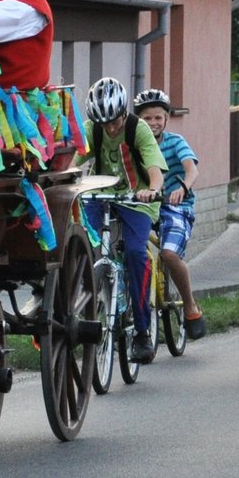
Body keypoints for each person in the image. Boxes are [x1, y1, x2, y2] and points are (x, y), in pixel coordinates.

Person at [77, 77, 167, 363]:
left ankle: (142, 332)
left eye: (115, 122)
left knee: (136, 254)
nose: (111, 129)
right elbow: (73, 160)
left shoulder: (138, 129)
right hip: (100, 196)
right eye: (104, 124)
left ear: (124, 113)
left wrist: (152, 190)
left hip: (137, 199)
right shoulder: (92, 129)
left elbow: (155, 171)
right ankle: (86, 303)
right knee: (82, 243)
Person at [132, 88, 206, 340]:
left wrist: (182, 189)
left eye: (158, 117)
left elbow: (191, 170)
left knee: (169, 254)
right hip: (144, 205)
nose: (153, 123)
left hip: (175, 205)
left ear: (166, 118)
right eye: (147, 118)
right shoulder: (133, 143)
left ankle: (190, 307)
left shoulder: (175, 142)